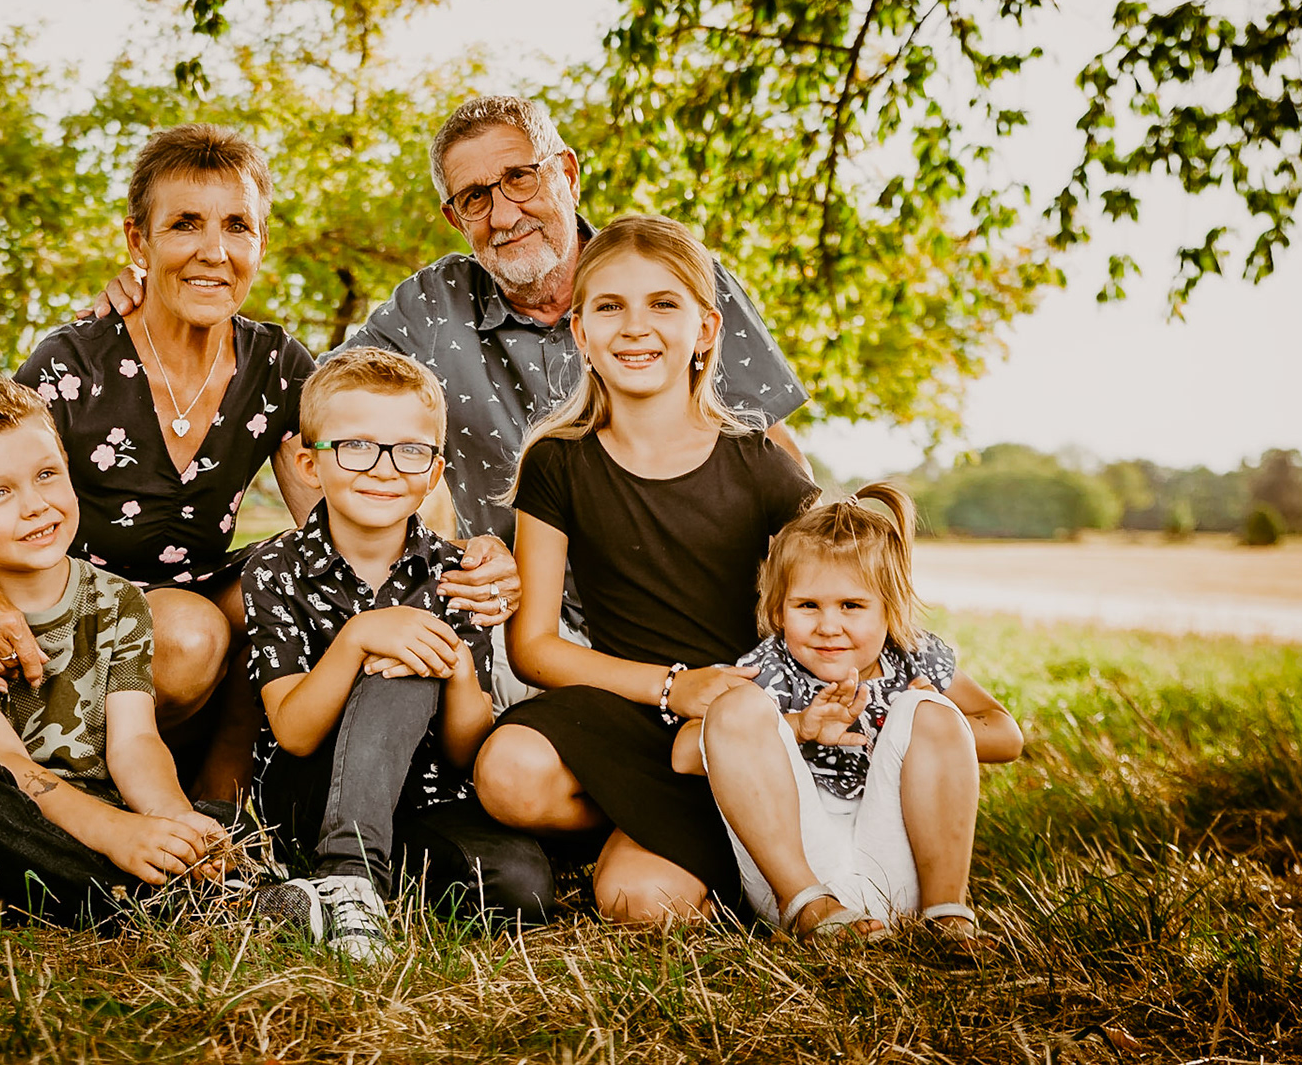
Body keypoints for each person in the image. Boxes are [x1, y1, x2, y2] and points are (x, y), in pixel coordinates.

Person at [96, 95, 809, 702]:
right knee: (480, 736)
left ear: (566, 173)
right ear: (454, 217)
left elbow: (772, 447)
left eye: (520, 178)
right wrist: (155, 301)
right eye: (476, 198)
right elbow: (313, 405)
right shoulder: (431, 308)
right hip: (521, 618)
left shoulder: (671, 277)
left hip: (697, 608)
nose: (504, 213)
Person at [0, 124, 322, 801]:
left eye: (237, 226)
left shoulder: (276, 363)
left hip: (195, 597)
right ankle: (87, 786)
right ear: (137, 242)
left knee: (293, 573)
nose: (214, 251)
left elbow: (338, 514)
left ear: (260, 242)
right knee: (187, 633)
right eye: (184, 224)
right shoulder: (75, 364)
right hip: (78, 623)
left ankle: (226, 798)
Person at [472, 214, 822, 923]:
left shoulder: (759, 463)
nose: (636, 327)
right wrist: (671, 686)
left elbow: (844, 589)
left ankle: (736, 821)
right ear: (580, 333)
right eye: (610, 307)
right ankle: (646, 825)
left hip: (735, 718)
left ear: (706, 330)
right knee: (507, 773)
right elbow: (533, 647)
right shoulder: (557, 461)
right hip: (626, 708)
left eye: (663, 303)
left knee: (638, 902)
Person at [0, 378, 240, 929]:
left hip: (101, 804)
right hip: (12, 813)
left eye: (46, 475)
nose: (36, 505)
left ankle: (121, 885)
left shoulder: (118, 601)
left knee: (213, 818)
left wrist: (170, 819)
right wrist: (117, 834)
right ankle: (150, 906)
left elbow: (134, 741)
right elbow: (2, 762)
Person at [242, 350, 553, 960]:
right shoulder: (275, 569)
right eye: (356, 446)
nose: (384, 469)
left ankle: (324, 886)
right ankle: (348, 874)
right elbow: (294, 734)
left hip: (423, 798)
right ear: (309, 464)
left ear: (434, 472)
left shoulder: (457, 575)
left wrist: (457, 669)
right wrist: (359, 636)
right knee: (403, 650)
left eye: (410, 451)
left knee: (522, 889)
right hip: (311, 791)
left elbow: (464, 751)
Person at [674, 483, 1024, 940]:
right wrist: (797, 727)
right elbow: (684, 753)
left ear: (890, 610)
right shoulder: (768, 668)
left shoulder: (912, 658)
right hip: (794, 874)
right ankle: (811, 909)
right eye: (807, 606)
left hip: (897, 867)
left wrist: (902, 727)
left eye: (852, 606)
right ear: (779, 610)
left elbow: (1006, 735)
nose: (828, 626)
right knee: (736, 706)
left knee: (930, 709)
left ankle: (947, 914)